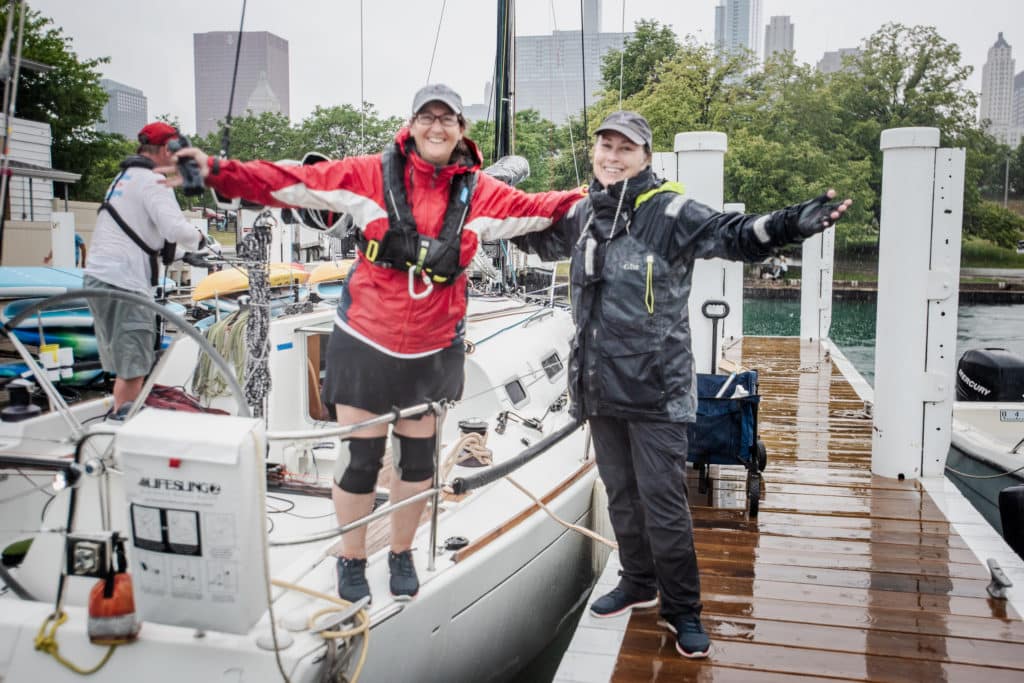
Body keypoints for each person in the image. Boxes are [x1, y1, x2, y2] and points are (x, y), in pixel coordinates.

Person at [166, 84, 583, 605]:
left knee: (416, 463)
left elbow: (545, 209)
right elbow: (292, 181)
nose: (436, 127)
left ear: (460, 129)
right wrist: (215, 170)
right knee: (359, 461)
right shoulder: (368, 175)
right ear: (410, 125)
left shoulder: (481, 193)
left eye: (447, 119)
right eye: (426, 117)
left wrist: (604, 198)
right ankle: (352, 556)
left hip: (432, 349)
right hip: (367, 338)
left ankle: (402, 552)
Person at [514, 110, 852, 659]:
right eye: (605, 146)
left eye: (626, 148)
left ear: (647, 157)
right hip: (599, 386)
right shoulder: (583, 213)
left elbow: (733, 236)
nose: (612, 156)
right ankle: (637, 582)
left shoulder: (669, 211)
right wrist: (479, 216)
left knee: (663, 503)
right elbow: (537, 240)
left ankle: (683, 609)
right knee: (621, 495)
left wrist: (789, 224)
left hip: (657, 390)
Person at [84, 121, 208, 415]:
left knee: (124, 367)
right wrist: (200, 241)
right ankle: (124, 432)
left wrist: (181, 256)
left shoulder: (124, 178)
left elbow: (140, 234)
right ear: (167, 149)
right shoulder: (153, 181)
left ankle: (120, 419)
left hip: (99, 280)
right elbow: (175, 228)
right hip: (124, 285)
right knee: (133, 369)